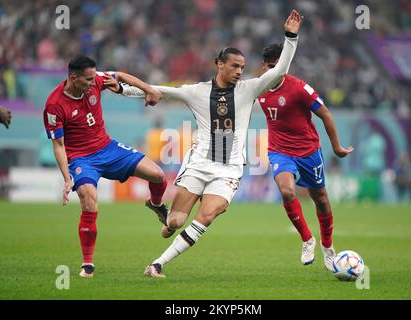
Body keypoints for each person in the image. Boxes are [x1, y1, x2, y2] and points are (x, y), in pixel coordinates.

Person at [120, 10, 303, 278]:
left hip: (228, 170)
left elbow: (280, 71)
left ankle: (157, 264)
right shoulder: (196, 92)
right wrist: (122, 89)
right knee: (176, 221)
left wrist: (290, 37)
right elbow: (156, 90)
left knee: (205, 216)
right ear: (219, 63)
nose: (240, 71)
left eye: (242, 67)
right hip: (199, 163)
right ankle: (166, 216)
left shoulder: (249, 90)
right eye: (235, 66)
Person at [43, 55, 170, 278]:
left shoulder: (96, 80)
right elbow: (59, 145)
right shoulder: (54, 105)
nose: (95, 82)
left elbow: (119, 75)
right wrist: (66, 178)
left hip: (108, 148)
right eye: (89, 79)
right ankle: (87, 264)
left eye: (95, 77)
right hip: (82, 159)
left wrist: (148, 89)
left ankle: (156, 204)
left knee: (158, 174)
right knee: (89, 200)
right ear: (73, 78)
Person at [257, 43, 354, 271]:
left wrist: (337, 147)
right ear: (264, 66)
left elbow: (326, 115)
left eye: (279, 66)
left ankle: (328, 246)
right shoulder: (258, 89)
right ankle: (307, 239)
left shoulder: (299, 88)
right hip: (279, 150)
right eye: (271, 67)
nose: (275, 72)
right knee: (287, 191)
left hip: (308, 150)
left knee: (320, 199)